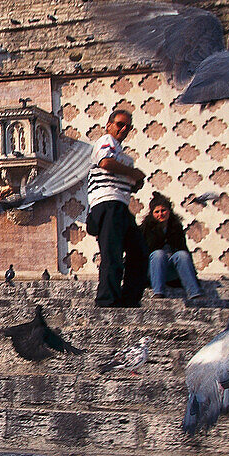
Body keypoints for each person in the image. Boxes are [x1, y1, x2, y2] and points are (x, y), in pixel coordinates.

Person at [85, 108, 148, 308]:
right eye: (119, 124)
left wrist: (136, 180)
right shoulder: (106, 141)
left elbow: (131, 183)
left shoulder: (121, 154)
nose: (123, 129)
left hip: (120, 204)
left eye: (127, 127)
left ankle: (129, 298)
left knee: (139, 252)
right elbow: (105, 162)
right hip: (107, 202)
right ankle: (107, 299)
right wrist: (134, 172)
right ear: (109, 125)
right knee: (112, 253)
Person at [141, 192, 202, 300]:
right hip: (153, 269)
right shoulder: (146, 229)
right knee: (158, 254)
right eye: (157, 212)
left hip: (172, 270)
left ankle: (194, 293)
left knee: (182, 255)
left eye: (163, 210)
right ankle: (158, 292)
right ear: (152, 214)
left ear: (169, 211)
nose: (161, 214)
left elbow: (183, 248)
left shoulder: (176, 228)